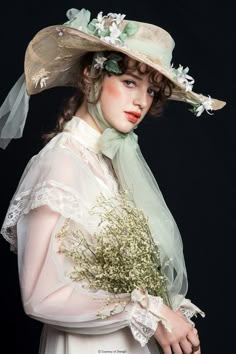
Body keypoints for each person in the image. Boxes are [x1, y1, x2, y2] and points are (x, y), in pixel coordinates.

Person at [0, 7, 226, 354]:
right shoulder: (59, 162)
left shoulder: (108, 163)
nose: (141, 102)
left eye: (151, 90)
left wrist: (173, 319)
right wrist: (149, 312)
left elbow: (129, 276)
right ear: (91, 75)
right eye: (129, 82)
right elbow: (39, 296)